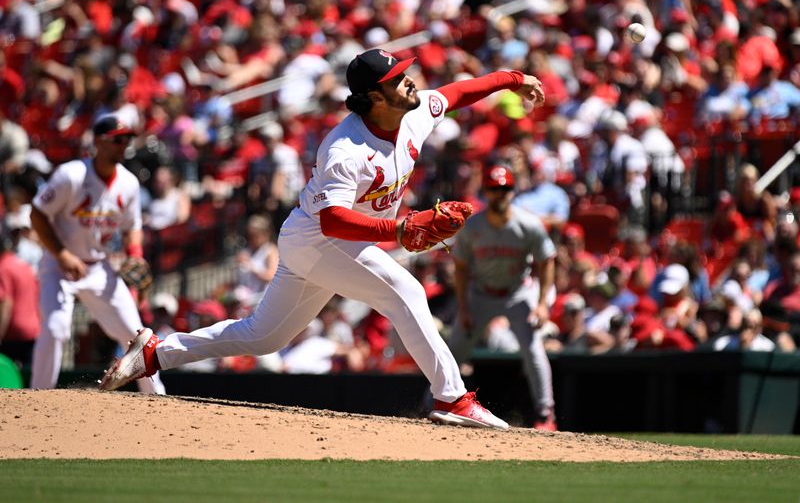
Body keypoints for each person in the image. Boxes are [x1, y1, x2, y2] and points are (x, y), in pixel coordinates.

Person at [100, 49, 546, 430]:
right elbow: (334, 220)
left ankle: (157, 353)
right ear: (374, 97)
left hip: (323, 241)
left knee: (263, 336)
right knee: (405, 292)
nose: (409, 81)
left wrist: (515, 80)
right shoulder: (344, 149)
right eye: (396, 79)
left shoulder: (412, 115)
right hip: (320, 238)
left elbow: (459, 92)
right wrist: (399, 228)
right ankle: (453, 399)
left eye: (404, 72)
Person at [29, 114, 165, 394]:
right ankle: (38, 398)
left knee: (135, 333)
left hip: (99, 267)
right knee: (55, 329)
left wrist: (135, 255)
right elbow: (38, 215)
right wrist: (63, 255)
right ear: (98, 143)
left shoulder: (128, 183)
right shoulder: (72, 175)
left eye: (127, 139)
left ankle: (158, 397)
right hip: (59, 264)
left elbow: (132, 228)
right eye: (117, 139)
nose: (124, 145)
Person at [449, 165, 558, 430]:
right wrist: (463, 308)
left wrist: (542, 304)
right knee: (454, 351)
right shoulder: (473, 227)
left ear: (513, 191)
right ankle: (432, 402)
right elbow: (461, 268)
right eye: (495, 189)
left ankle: (545, 413)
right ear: (485, 192)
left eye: (505, 189)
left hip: (517, 293)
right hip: (481, 293)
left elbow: (547, 260)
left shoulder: (528, 223)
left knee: (533, 350)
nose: (501, 194)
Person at [0, 231, 41, 368]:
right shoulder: (24, 265)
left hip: (13, 332)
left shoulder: (3, 268)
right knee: (30, 377)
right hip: (33, 329)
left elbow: (5, 303)